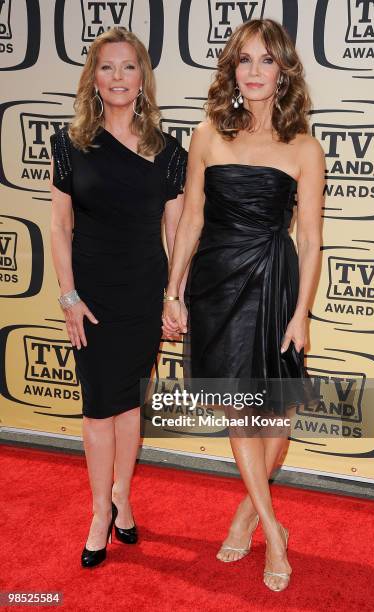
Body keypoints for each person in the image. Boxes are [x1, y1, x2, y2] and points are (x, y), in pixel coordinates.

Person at [162, 19, 324, 592]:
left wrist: (302, 312)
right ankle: (276, 535)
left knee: (277, 413)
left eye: (266, 61)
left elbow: (310, 240)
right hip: (218, 280)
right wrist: (173, 289)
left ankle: (247, 512)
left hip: (275, 279)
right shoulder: (208, 133)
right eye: (245, 61)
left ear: (283, 73)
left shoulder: (305, 146)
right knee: (239, 410)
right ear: (233, 70)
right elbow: (192, 219)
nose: (254, 72)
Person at [50, 27, 187, 568]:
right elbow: (59, 227)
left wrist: (173, 297)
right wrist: (68, 296)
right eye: (107, 67)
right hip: (90, 294)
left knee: (129, 403)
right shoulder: (70, 143)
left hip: (141, 291)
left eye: (128, 67)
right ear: (93, 78)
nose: (118, 78)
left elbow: (176, 233)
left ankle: (122, 497)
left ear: (142, 77)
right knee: (96, 405)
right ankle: (97, 513)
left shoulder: (167, 150)